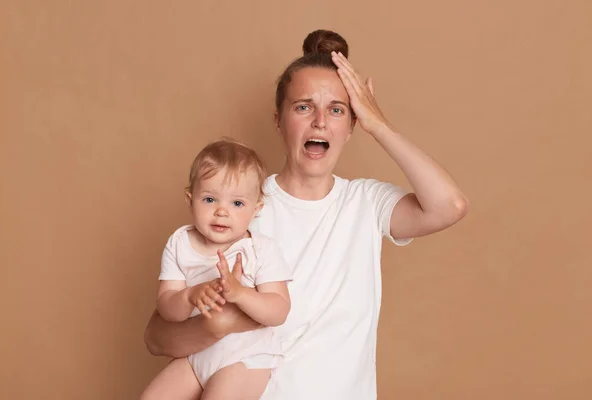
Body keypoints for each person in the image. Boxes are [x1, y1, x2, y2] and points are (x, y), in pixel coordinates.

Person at [143, 29, 469, 399]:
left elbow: (450, 206)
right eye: (303, 107)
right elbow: (157, 336)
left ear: (351, 126)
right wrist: (222, 323)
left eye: (337, 110)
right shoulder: (240, 208)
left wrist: (378, 124)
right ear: (278, 120)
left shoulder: (366, 203)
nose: (320, 121)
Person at [140, 140, 292, 400]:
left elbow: (279, 310)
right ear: (190, 200)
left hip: (245, 357)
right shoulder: (180, 243)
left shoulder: (260, 250)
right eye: (210, 199)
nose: (221, 212)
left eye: (237, 204)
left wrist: (241, 293)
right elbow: (166, 308)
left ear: (256, 209)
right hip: (197, 354)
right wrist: (188, 296)